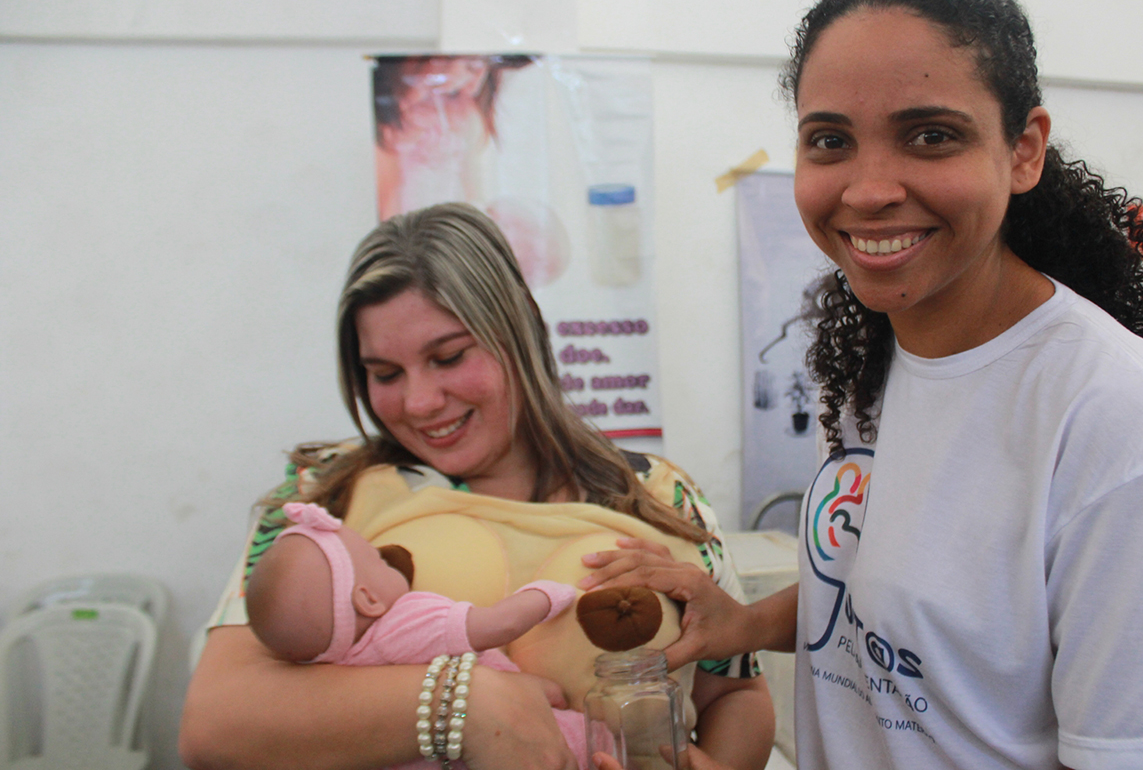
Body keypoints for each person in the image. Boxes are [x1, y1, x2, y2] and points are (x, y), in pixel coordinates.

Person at [580, 0, 1143, 768]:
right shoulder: (870, 351)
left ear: (1023, 150)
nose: (867, 190)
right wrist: (744, 623)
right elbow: (902, 603)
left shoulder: (1102, 406)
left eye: (930, 135)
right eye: (830, 139)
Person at [178, 202, 774, 770]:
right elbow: (216, 724)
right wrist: (465, 704)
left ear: (520, 334)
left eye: (449, 357)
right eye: (384, 373)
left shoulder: (663, 499)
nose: (417, 401)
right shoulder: (323, 499)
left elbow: (736, 694)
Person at [246, 502, 588, 769]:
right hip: (531, 744)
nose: (388, 559)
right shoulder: (405, 623)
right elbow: (497, 625)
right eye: (376, 559)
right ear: (368, 600)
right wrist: (547, 594)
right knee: (594, 738)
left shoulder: (337, 669)